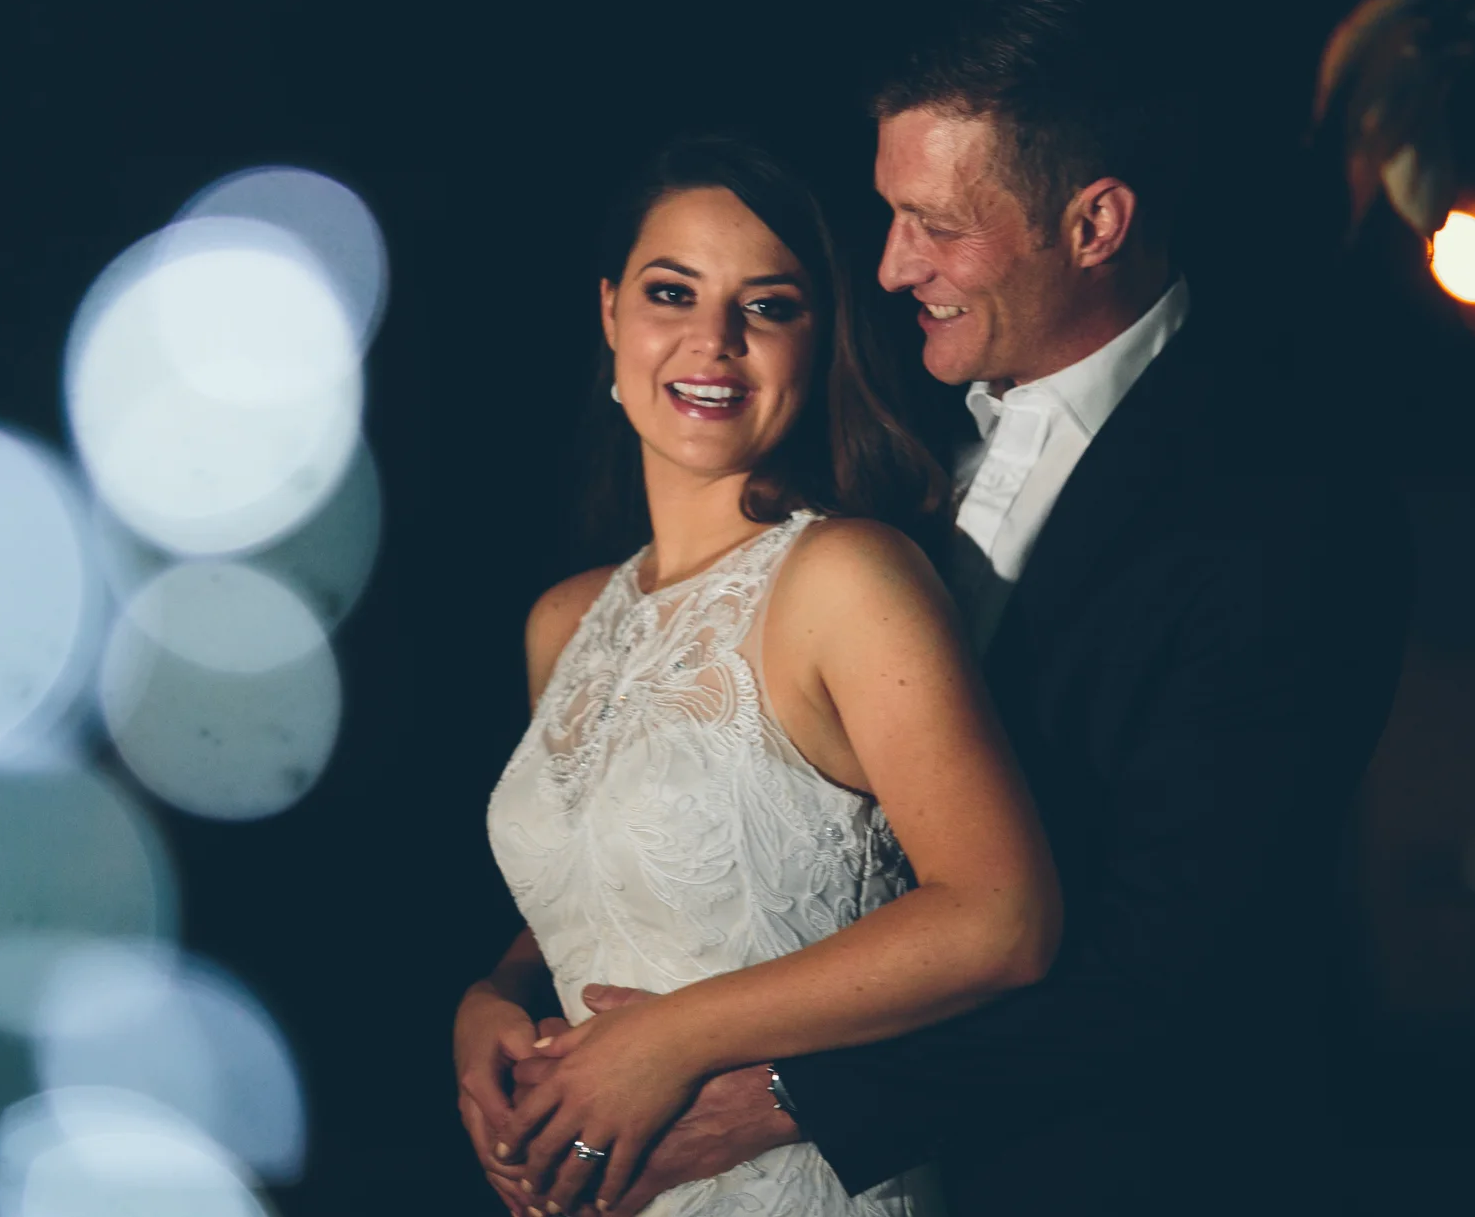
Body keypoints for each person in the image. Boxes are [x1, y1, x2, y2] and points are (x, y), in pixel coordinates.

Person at [503, 0, 1415, 1217]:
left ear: (1092, 225)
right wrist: (498, 1000)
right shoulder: (892, 460)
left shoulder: (1280, 510)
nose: (887, 267)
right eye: (886, 216)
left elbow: (1177, 956)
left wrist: (776, 1097)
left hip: (1109, 1177)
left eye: (933, 224)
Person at [453, 134, 1064, 1216]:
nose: (712, 341)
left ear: (818, 339)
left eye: (767, 305)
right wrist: (493, 995)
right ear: (608, 315)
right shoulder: (563, 620)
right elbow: (616, 870)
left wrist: (669, 1041)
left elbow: (999, 917)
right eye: (670, 292)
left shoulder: (848, 578)